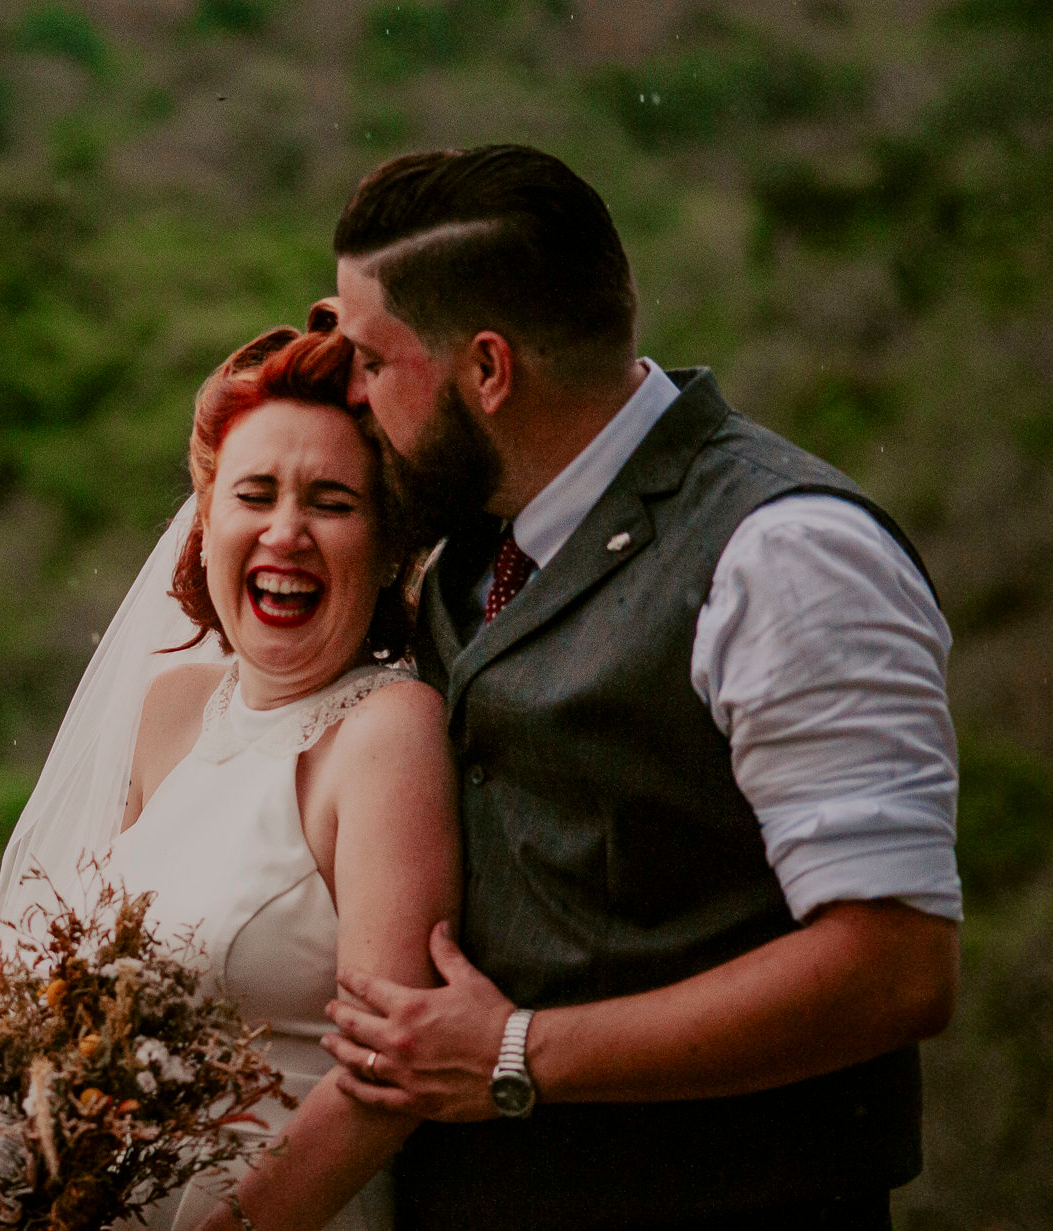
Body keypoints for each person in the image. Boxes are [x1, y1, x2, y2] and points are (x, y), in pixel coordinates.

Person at [317, 145, 961, 1230]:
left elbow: (894, 966)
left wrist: (520, 1054)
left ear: (487, 370)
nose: (352, 388)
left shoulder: (784, 555)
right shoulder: (463, 533)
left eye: (373, 359)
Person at [0, 318, 462, 1231]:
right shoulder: (172, 708)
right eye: (255, 494)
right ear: (207, 526)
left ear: (391, 547)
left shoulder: (388, 732)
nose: (286, 533)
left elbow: (386, 1077)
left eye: (332, 502)